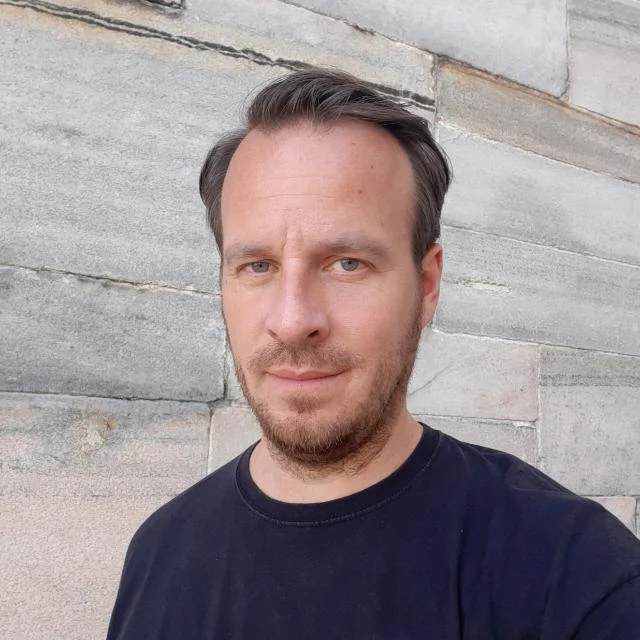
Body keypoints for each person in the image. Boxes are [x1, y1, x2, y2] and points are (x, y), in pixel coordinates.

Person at [107, 67, 640, 639]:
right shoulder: (158, 552)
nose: (292, 321)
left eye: (347, 263)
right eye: (257, 266)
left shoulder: (578, 577)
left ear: (426, 284)